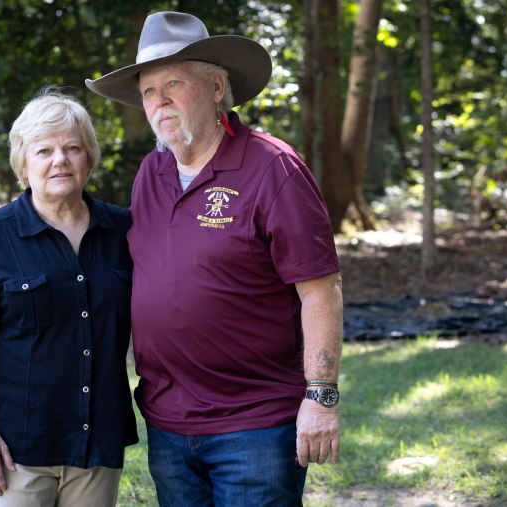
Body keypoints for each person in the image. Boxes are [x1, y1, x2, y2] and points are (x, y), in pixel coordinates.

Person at [86, 11, 343, 506]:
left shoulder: (274, 169)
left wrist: (321, 397)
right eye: (147, 91)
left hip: (255, 426)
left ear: (218, 86)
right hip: (169, 423)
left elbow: (321, 288)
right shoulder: (151, 173)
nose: (159, 101)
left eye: (173, 83)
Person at [0, 87, 138, 507]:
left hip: (97, 446)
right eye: (44, 150)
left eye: (72, 148)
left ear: (89, 157)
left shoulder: (123, 231)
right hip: (17, 452)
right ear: (23, 163)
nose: (60, 160)